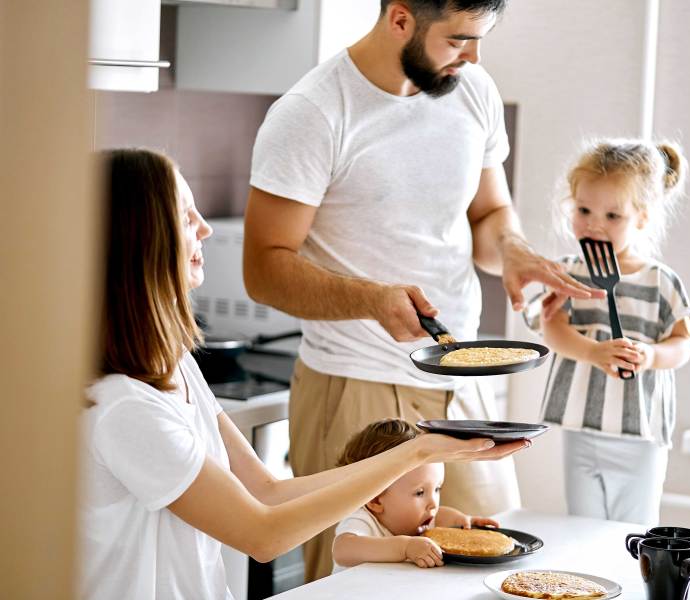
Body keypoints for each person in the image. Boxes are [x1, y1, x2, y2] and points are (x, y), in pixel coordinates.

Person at [243, 0, 604, 580]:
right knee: (360, 583)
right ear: (401, 19)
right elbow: (263, 269)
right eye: (460, 38)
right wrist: (371, 299)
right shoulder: (312, 112)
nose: (475, 55)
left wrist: (510, 252)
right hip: (360, 379)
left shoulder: (473, 90)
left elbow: (489, 215)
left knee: (499, 568)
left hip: (461, 382)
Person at [80, 148, 529, 600]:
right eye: (184, 215)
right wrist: (414, 455)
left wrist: (423, 450)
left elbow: (269, 491)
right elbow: (263, 535)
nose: (206, 228)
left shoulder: (176, 365)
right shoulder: (126, 409)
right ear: (141, 241)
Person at [523, 138, 690, 526]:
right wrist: (592, 352)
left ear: (642, 217)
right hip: (580, 427)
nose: (594, 224)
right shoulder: (567, 273)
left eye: (612, 216)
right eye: (584, 210)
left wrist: (652, 355)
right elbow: (551, 329)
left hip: (639, 433)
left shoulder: (660, 282)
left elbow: (682, 343)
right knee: (582, 527)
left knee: (633, 533)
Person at [331, 419, 501, 572]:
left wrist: (464, 522)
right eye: (420, 492)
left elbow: (439, 516)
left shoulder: (418, 519)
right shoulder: (362, 520)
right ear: (375, 499)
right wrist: (404, 547)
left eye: (437, 489)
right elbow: (342, 550)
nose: (433, 504)